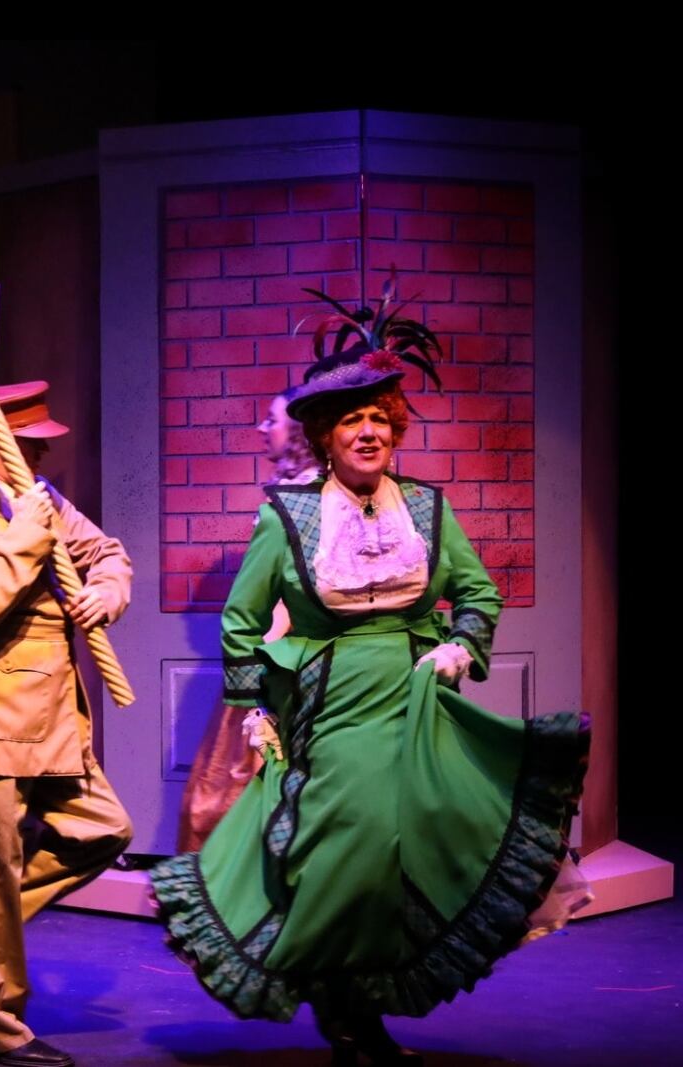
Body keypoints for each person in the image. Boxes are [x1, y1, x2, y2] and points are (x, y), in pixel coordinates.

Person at [147, 313, 589, 1065]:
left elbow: (477, 591)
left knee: (408, 844)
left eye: (380, 419)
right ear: (324, 435)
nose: (368, 432)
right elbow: (243, 617)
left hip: (416, 695)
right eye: (352, 420)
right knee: (349, 839)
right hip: (329, 697)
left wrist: (460, 646)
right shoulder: (288, 514)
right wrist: (256, 705)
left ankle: (359, 1009)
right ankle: (339, 1000)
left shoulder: (426, 508)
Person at [0, 380, 134, 1067]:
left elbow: (109, 554)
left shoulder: (45, 503)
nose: (40, 457)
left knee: (105, 830)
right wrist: (27, 535)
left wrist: (106, 592)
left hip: (54, 719)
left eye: (42, 446)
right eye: (30, 444)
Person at [176, 389, 321, 852]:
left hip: (284, 654)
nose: (262, 429)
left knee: (239, 783)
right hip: (281, 648)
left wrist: (263, 666)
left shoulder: (301, 499)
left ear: (298, 431)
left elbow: (289, 590)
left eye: (272, 420)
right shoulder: (299, 491)